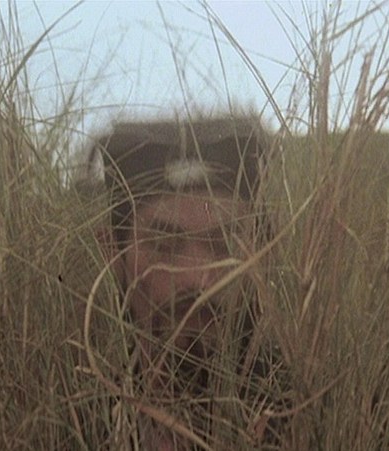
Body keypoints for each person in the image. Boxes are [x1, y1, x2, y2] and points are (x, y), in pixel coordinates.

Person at [93, 116, 281, 449]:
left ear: (264, 252)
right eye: (162, 244)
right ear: (113, 253)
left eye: (226, 243)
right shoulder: (64, 419)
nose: (197, 278)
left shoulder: (325, 417)